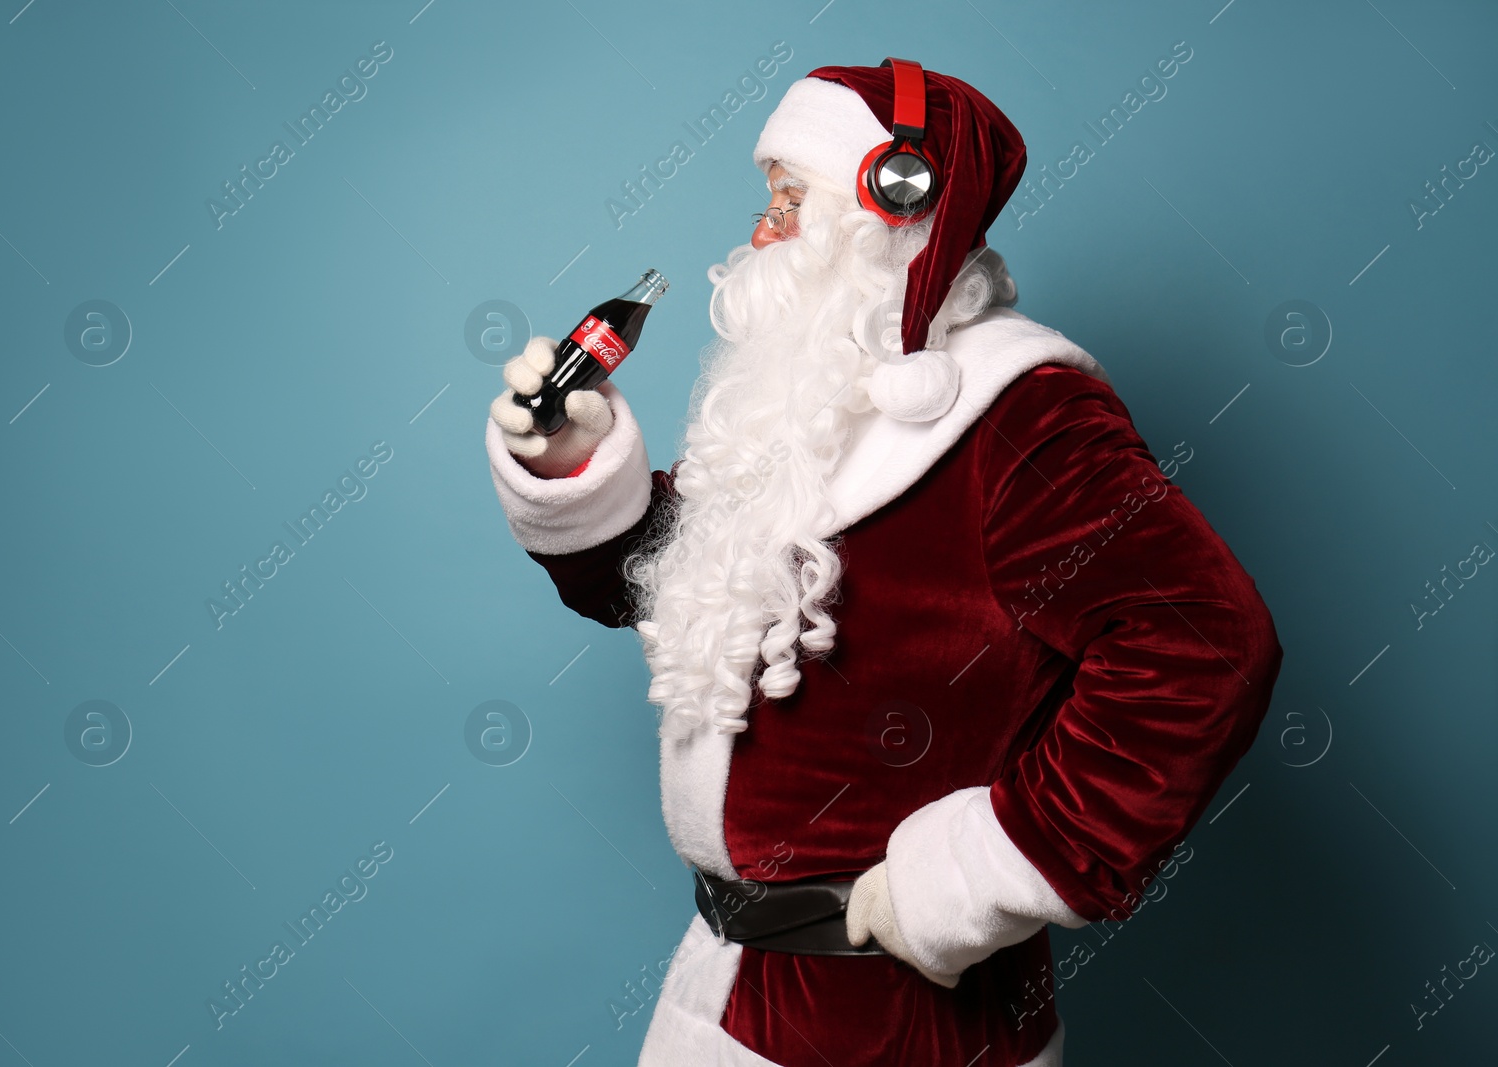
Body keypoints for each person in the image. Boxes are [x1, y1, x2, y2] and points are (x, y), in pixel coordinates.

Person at [485, 58, 1282, 1067]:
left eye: (790, 200)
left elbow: (1207, 644)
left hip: (898, 1027)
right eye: (764, 198)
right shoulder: (813, 398)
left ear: (895, 198)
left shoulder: (1025, 418)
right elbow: (670, 585)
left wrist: (979, 872)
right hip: (726, 986)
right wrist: (571, 466)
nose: (760, 231)